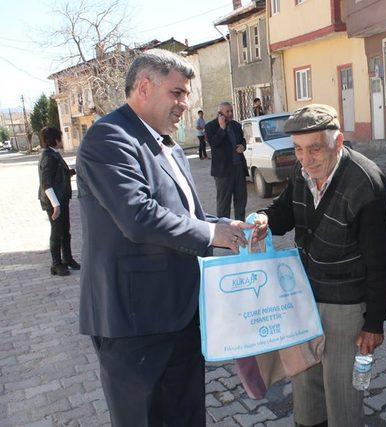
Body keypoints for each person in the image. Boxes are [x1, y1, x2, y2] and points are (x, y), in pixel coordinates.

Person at [75, 49, 255, 426]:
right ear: (144, 87)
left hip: (181, 314)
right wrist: (211, 234)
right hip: (134, 325)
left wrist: (229, 226)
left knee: (186, 416)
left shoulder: (168, 145)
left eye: (187, 95)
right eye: (177, 93)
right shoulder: (108, 137)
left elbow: (187, 217)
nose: (185, 104)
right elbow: (139, 217)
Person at [253, 104, 386, 427]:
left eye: (314, 148)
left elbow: (381, 262)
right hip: (304, 298)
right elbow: (285, 210)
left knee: (342, 394)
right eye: (299, 150)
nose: (306, 159)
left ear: (338, 141)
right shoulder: (302, 172)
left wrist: (374, 322)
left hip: (346, 307)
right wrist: (265, 220)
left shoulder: (365, 184)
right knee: (305, 385)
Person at [37, 126, 80, 276]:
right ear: (56, 140)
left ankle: (67, 259)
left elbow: (62, 174)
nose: (62, 141)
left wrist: (77, 170)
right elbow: (46, 183)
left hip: (62, 199)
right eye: (60, 138)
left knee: (65, 231)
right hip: (53, 202)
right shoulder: (48, 157)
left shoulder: (54, 154)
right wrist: (55, 205)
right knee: (56, 233)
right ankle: (56, 264)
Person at [205, 101, 248, 221]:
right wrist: (222, 128)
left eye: (231, 111)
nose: (230, 114)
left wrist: (243, 146)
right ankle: (225, 231)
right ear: (220, 114)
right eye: (227, 111)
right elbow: (214, 143)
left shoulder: (236, 125)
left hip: (239, 168)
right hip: (223, 172)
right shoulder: (210, 127)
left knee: (241, 201)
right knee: (224, 204)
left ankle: (240, 229)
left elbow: (243, 140)